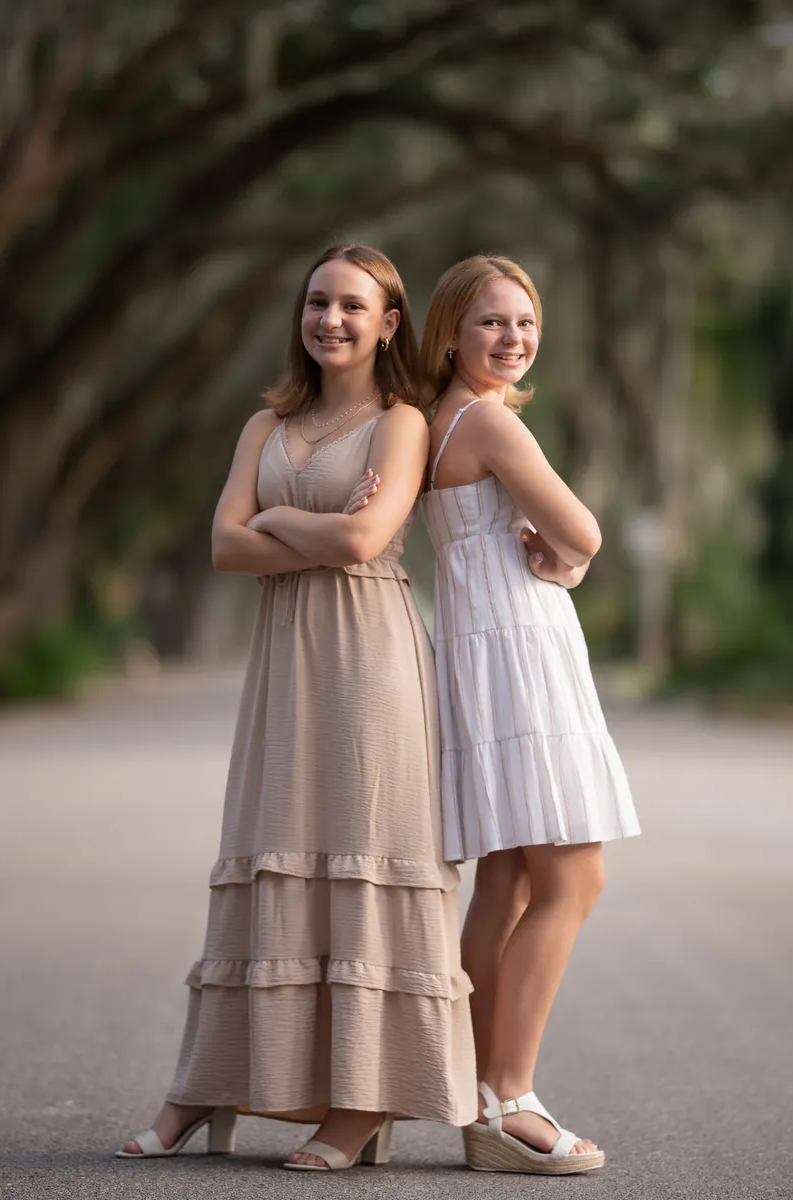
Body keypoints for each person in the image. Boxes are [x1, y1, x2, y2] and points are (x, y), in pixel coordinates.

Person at [118, 244, 476, 1170]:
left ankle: (361, 1106)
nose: (332, 320)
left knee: (362, 852)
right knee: (270, 847)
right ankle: (206, 1086)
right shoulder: (263, 427)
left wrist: (276, 522)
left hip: (370, 665)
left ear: (389, 322)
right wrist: (295, 532)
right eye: (318, 302)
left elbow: (365, 537)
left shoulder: (401, 423)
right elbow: (224, 550)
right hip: (285, 663)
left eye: (354, 306)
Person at [363, 253, 640, 1174]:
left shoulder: (436, 423)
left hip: (483, 655)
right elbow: (585, 532)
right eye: (492, 322)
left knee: (509, 884)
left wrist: (558, 554)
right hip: (522, 658)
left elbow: (552, 544)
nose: (513, 339)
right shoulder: (486, 421)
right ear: (448, 331)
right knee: (575, 881)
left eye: (525, 323)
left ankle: (479, 1092)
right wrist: (569, 555)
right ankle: (509, 1097)